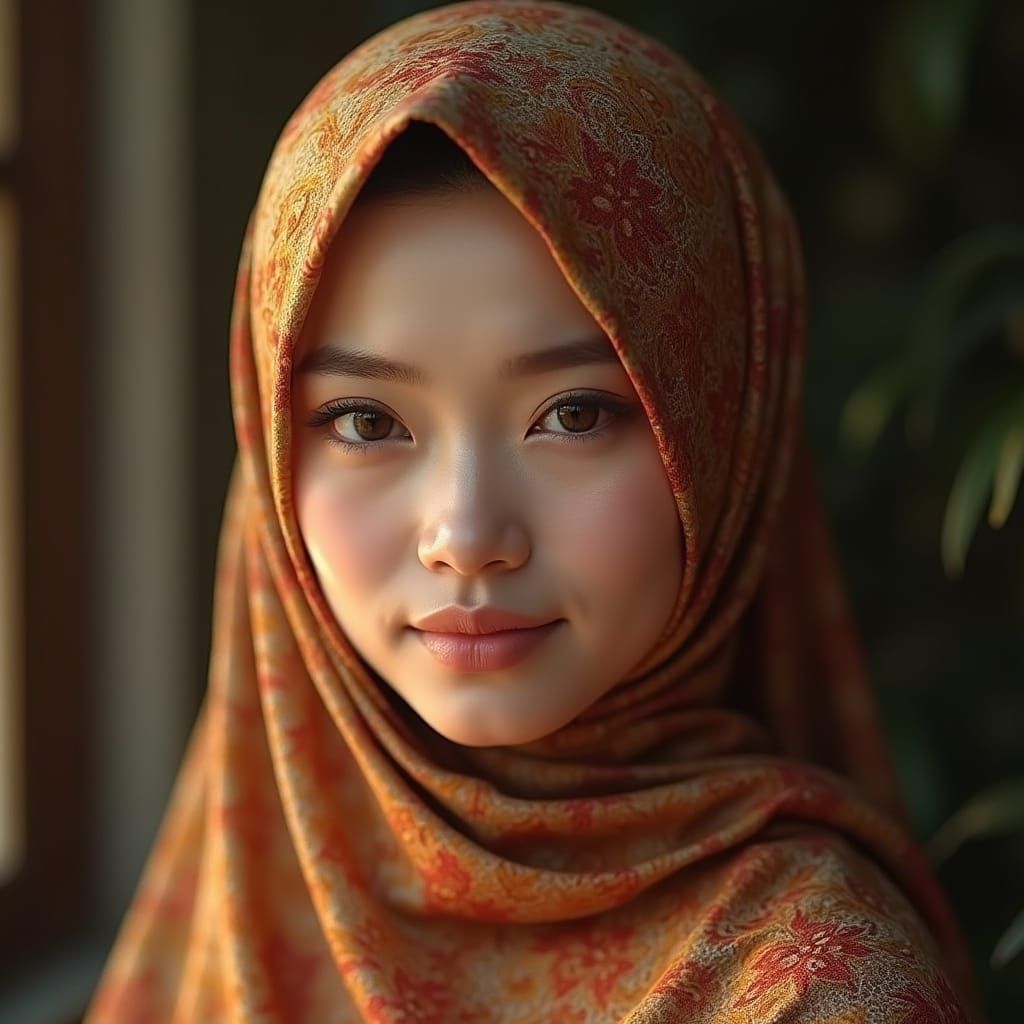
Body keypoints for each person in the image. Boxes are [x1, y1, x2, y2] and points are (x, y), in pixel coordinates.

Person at [84, 2, 985, 1021]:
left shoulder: (816, 990)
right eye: (367, 421)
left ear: (722, 424)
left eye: (574, 413)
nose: (466, 536)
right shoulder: (250, 857)